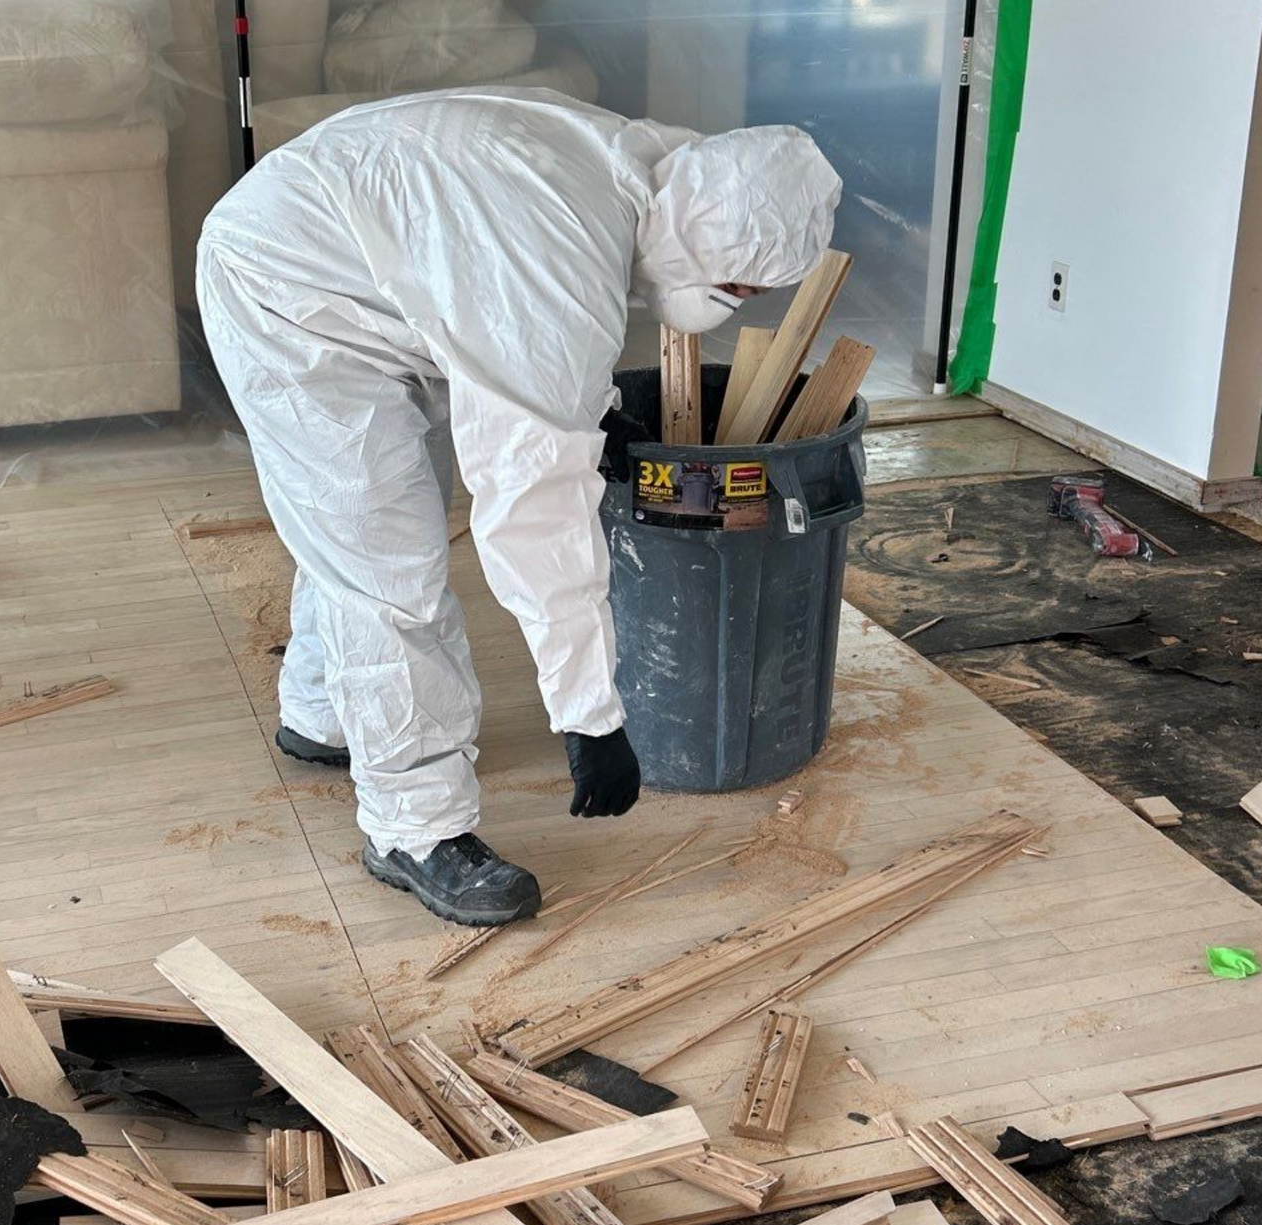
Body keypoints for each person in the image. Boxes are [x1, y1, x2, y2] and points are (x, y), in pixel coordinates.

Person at [198, 88, 841, 927]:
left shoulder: (655, 170)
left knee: (365, 524)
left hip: (364, 258)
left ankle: (321, 712)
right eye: (740, 287)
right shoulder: (559, 252)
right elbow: (533, 513)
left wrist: (588, 412)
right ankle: (414, 825)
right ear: (708, 242)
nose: (739, 302)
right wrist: (590, 716)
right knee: (386, 557)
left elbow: (522, 322)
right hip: (288, 292)